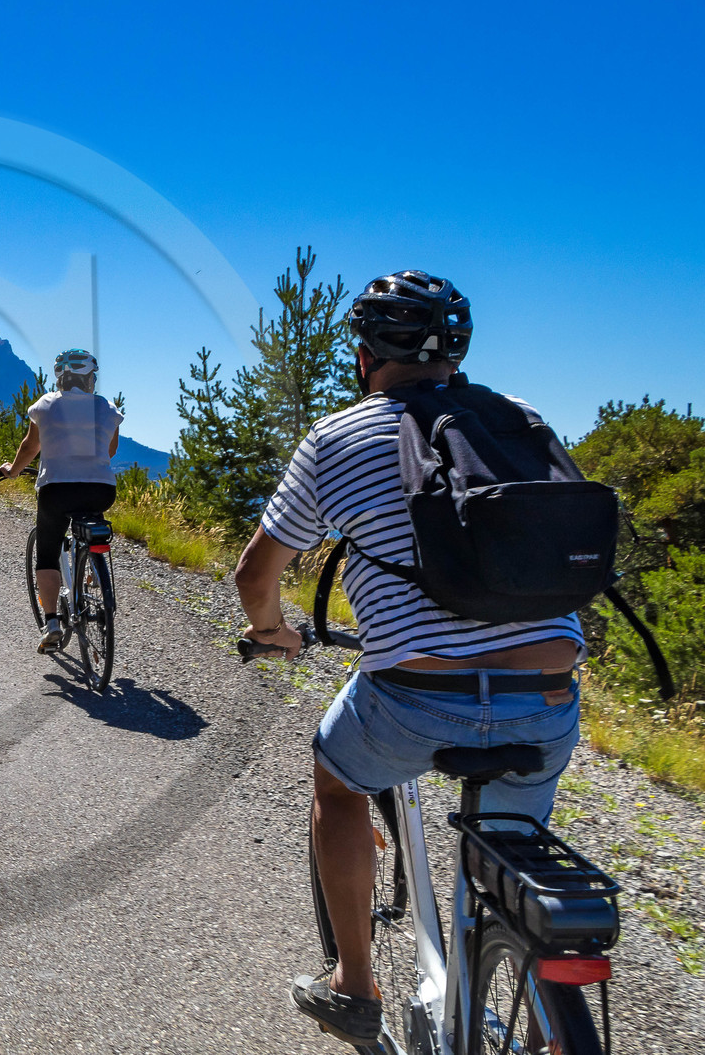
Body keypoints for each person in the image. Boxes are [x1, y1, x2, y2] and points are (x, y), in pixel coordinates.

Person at [233, 271, 584, 1046]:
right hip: (549, 694)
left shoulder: (337, 437)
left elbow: (256, 575)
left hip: (413, 699)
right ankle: (535, 996)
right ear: (456, 352)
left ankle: (354, 987)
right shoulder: (520, 419)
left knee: (336, 776)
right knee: (512, 869)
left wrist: (272, 631)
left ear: (362, 355)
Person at [0, 349, 122, 652]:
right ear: (90, 378)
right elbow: (110, 451)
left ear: (61, 378)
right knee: (92, 517)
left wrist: (12, 471)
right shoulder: (107, 408)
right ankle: (93, 564)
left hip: (56, 489)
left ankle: (52, 622)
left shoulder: (45, 405)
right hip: (101, 490)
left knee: (48, 553)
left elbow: (30, 447)